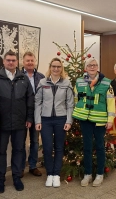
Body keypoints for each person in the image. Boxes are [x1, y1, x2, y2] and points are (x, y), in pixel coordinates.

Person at [0, 51, 34, 193]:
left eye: (13, 60)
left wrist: (29, 118)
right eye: (8, 60)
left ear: (17, 62)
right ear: (3, 62)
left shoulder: (23, 78)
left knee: (19, 150)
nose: (11, 62)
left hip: (20, 123)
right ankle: (0, 180)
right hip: (2, 123)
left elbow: (30, 99)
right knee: (1, 152)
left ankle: (16, 177)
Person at [72, 57, 115, 187]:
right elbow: (75, 99)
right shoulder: (79, 82)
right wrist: (77, 113)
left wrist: (110, 120)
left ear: (98, 67)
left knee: (100, 147)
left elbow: (111, 102)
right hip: (85, 120)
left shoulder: (107, 83)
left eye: (95, 65)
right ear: (86, 68)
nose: (92, 67)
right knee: (87, 147)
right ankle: (88, 174)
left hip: (100, 120)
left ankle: (100, 174)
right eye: (90, 65)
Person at [34, 57, 74, 187]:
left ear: (61, 68)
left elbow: (70, 104)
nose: (56, 69)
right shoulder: (42, 82)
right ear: (50, 68)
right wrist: (38, 120)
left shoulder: (66, 83)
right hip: (45, 120)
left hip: (61, 119)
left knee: (58, 147)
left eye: (58, 67)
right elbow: (38, 102)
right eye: (53, 66)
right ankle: (49, 174)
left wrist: (69, 120)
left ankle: (56, 174)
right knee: (47, 147)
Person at [21, 51, 45, 177]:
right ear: (23, 62)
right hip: (22, 114)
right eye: (27, 60)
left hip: (37, 114)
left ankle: (33, 166)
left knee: (35, 142)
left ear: (35, 61)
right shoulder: (18, 76)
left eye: (32, 60)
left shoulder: (41, 77)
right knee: (20, 143)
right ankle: (20, 168)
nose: (30, 62)